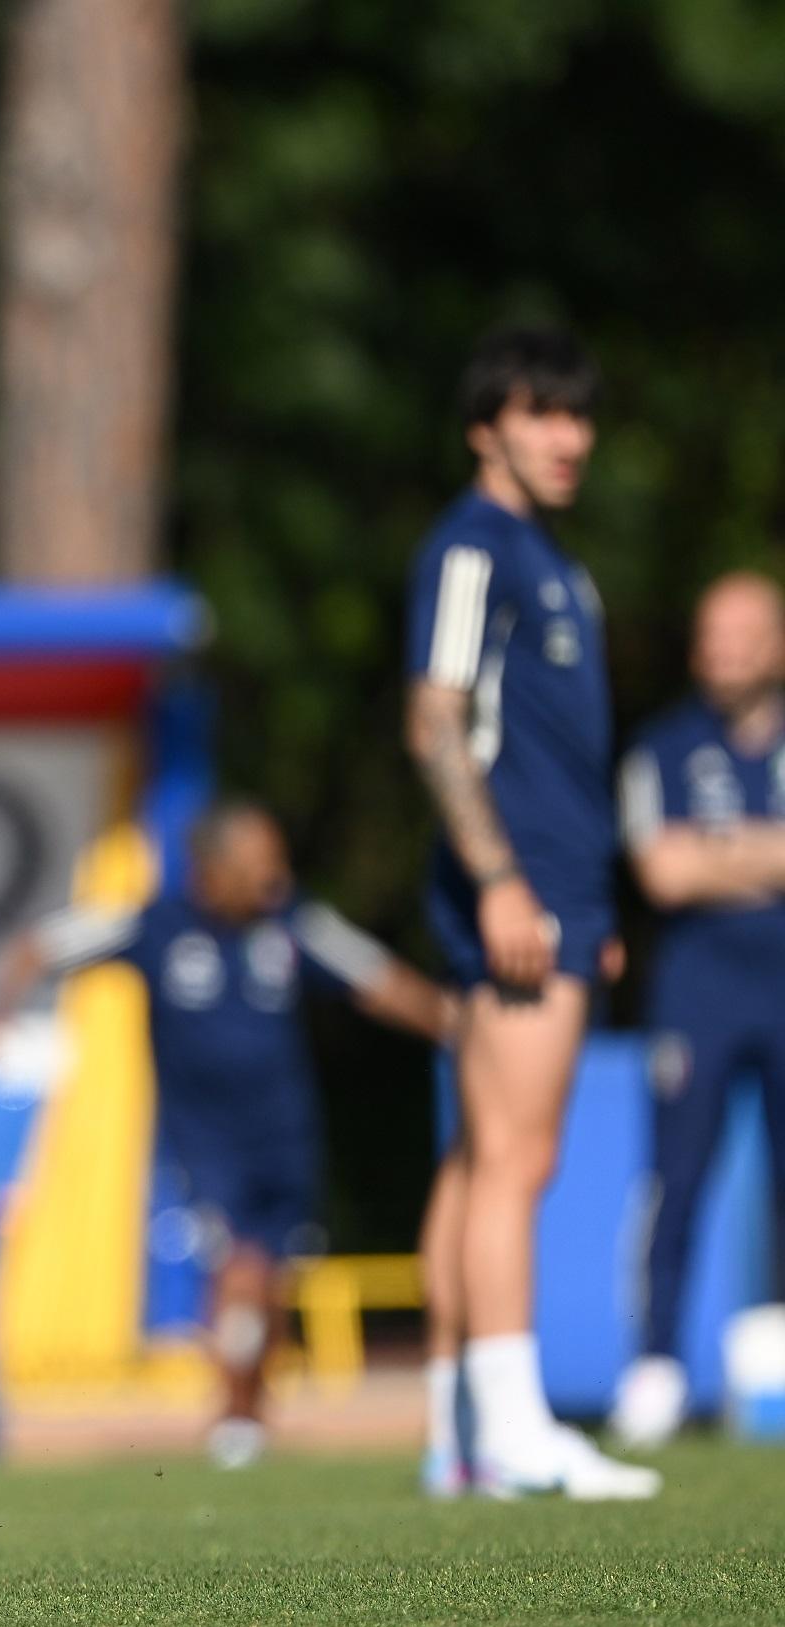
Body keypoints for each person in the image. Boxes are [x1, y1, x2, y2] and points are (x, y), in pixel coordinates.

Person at [0, 801, 454, 1469]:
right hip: (204, 1136)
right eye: (259, 865)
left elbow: (374, 977)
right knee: (238, 1266)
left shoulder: (290, 922)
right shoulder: (153, 923)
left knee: (272, 1280)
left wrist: (455, 1025)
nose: (273, 877)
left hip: (286, 1132)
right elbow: (43, 944)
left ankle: (253, 1408)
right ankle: (231, 1413)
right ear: (213, 869)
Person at [403, 324, 658, 1499]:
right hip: (517, 885)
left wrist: (584, 890)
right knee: (516, 1154)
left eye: (578, 413)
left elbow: (558, 750)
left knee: (477, 1155)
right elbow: (434, 720)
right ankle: (509, 1427)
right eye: (540, 411)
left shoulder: (554, 562)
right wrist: (504, 879)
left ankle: (456, 1436)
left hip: (558, 883)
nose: (568, 436)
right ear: (482, 428)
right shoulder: (473, 548)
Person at [611, 571, 785, 1446]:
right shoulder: (662, 747)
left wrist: (716, 850)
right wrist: (767, 853)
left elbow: (693, 858)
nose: (723, 653)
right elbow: (661, 870)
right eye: (710, 635)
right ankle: (656, 1368)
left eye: (742, 634)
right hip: (698, 984)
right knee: (676, 1177)